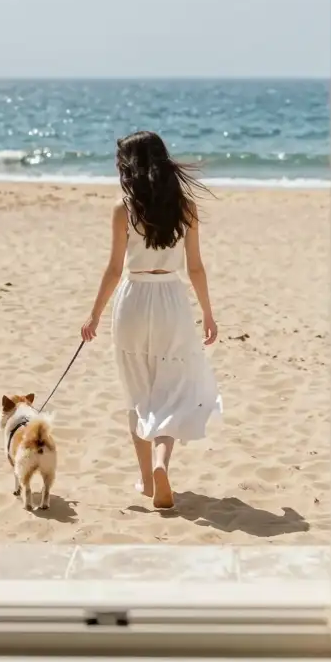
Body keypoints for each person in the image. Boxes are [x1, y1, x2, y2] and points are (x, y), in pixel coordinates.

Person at [81, 130, 221, 509]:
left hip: (132, 300)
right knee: (172, 391)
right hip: (171, 301)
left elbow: (113, 269)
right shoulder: (185, 207)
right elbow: (196, 268)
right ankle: (161, 464)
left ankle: (146, 481)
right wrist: (208, 313)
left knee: (138, 394)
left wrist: (94, 314)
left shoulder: (123, 208)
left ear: (131, 166)